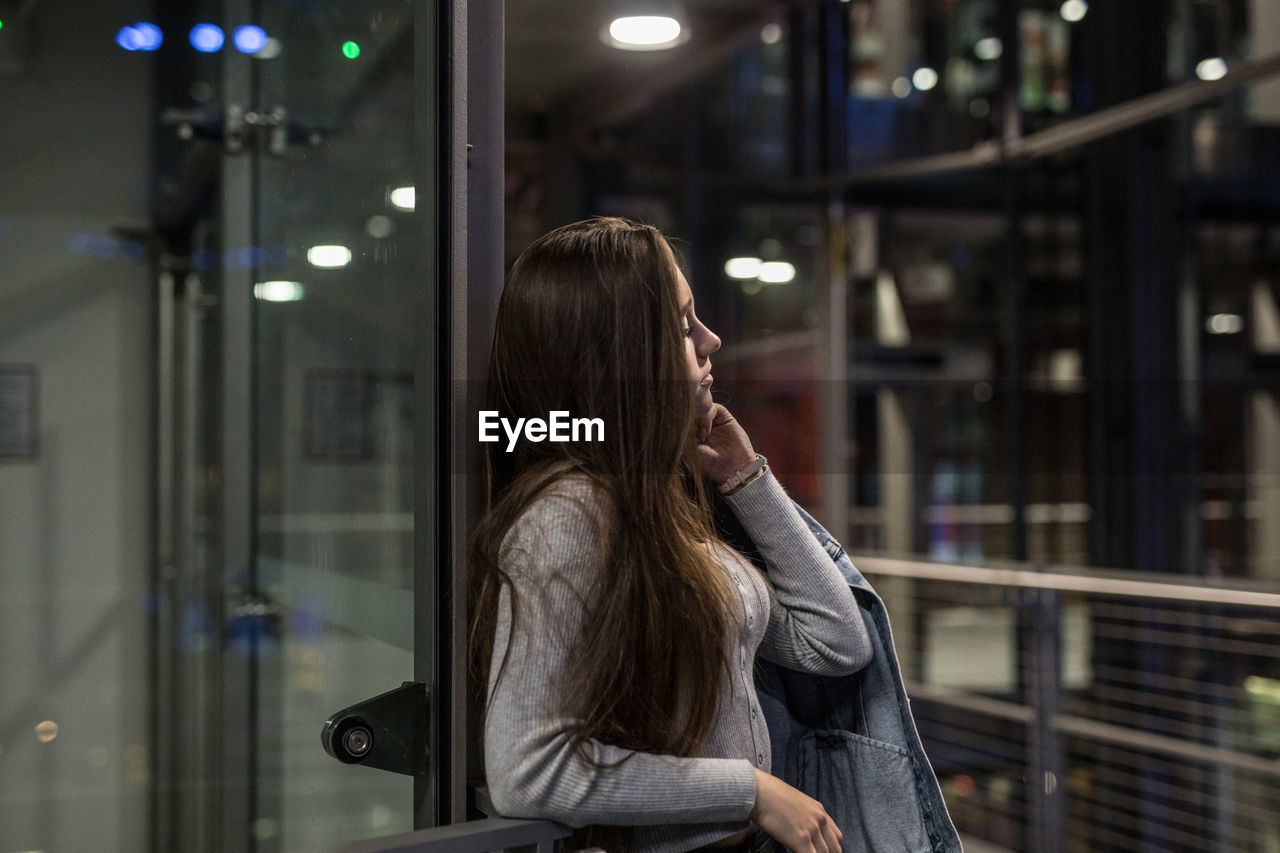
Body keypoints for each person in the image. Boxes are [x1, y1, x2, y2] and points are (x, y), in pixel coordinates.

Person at [470, 216, 872, 853]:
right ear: (622, 356)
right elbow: (530, 772)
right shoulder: (567, 517)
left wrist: (747, 479)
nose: (711, 340)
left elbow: (836, 642)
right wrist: (754, 790)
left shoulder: (655, 503)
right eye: (684, 328)